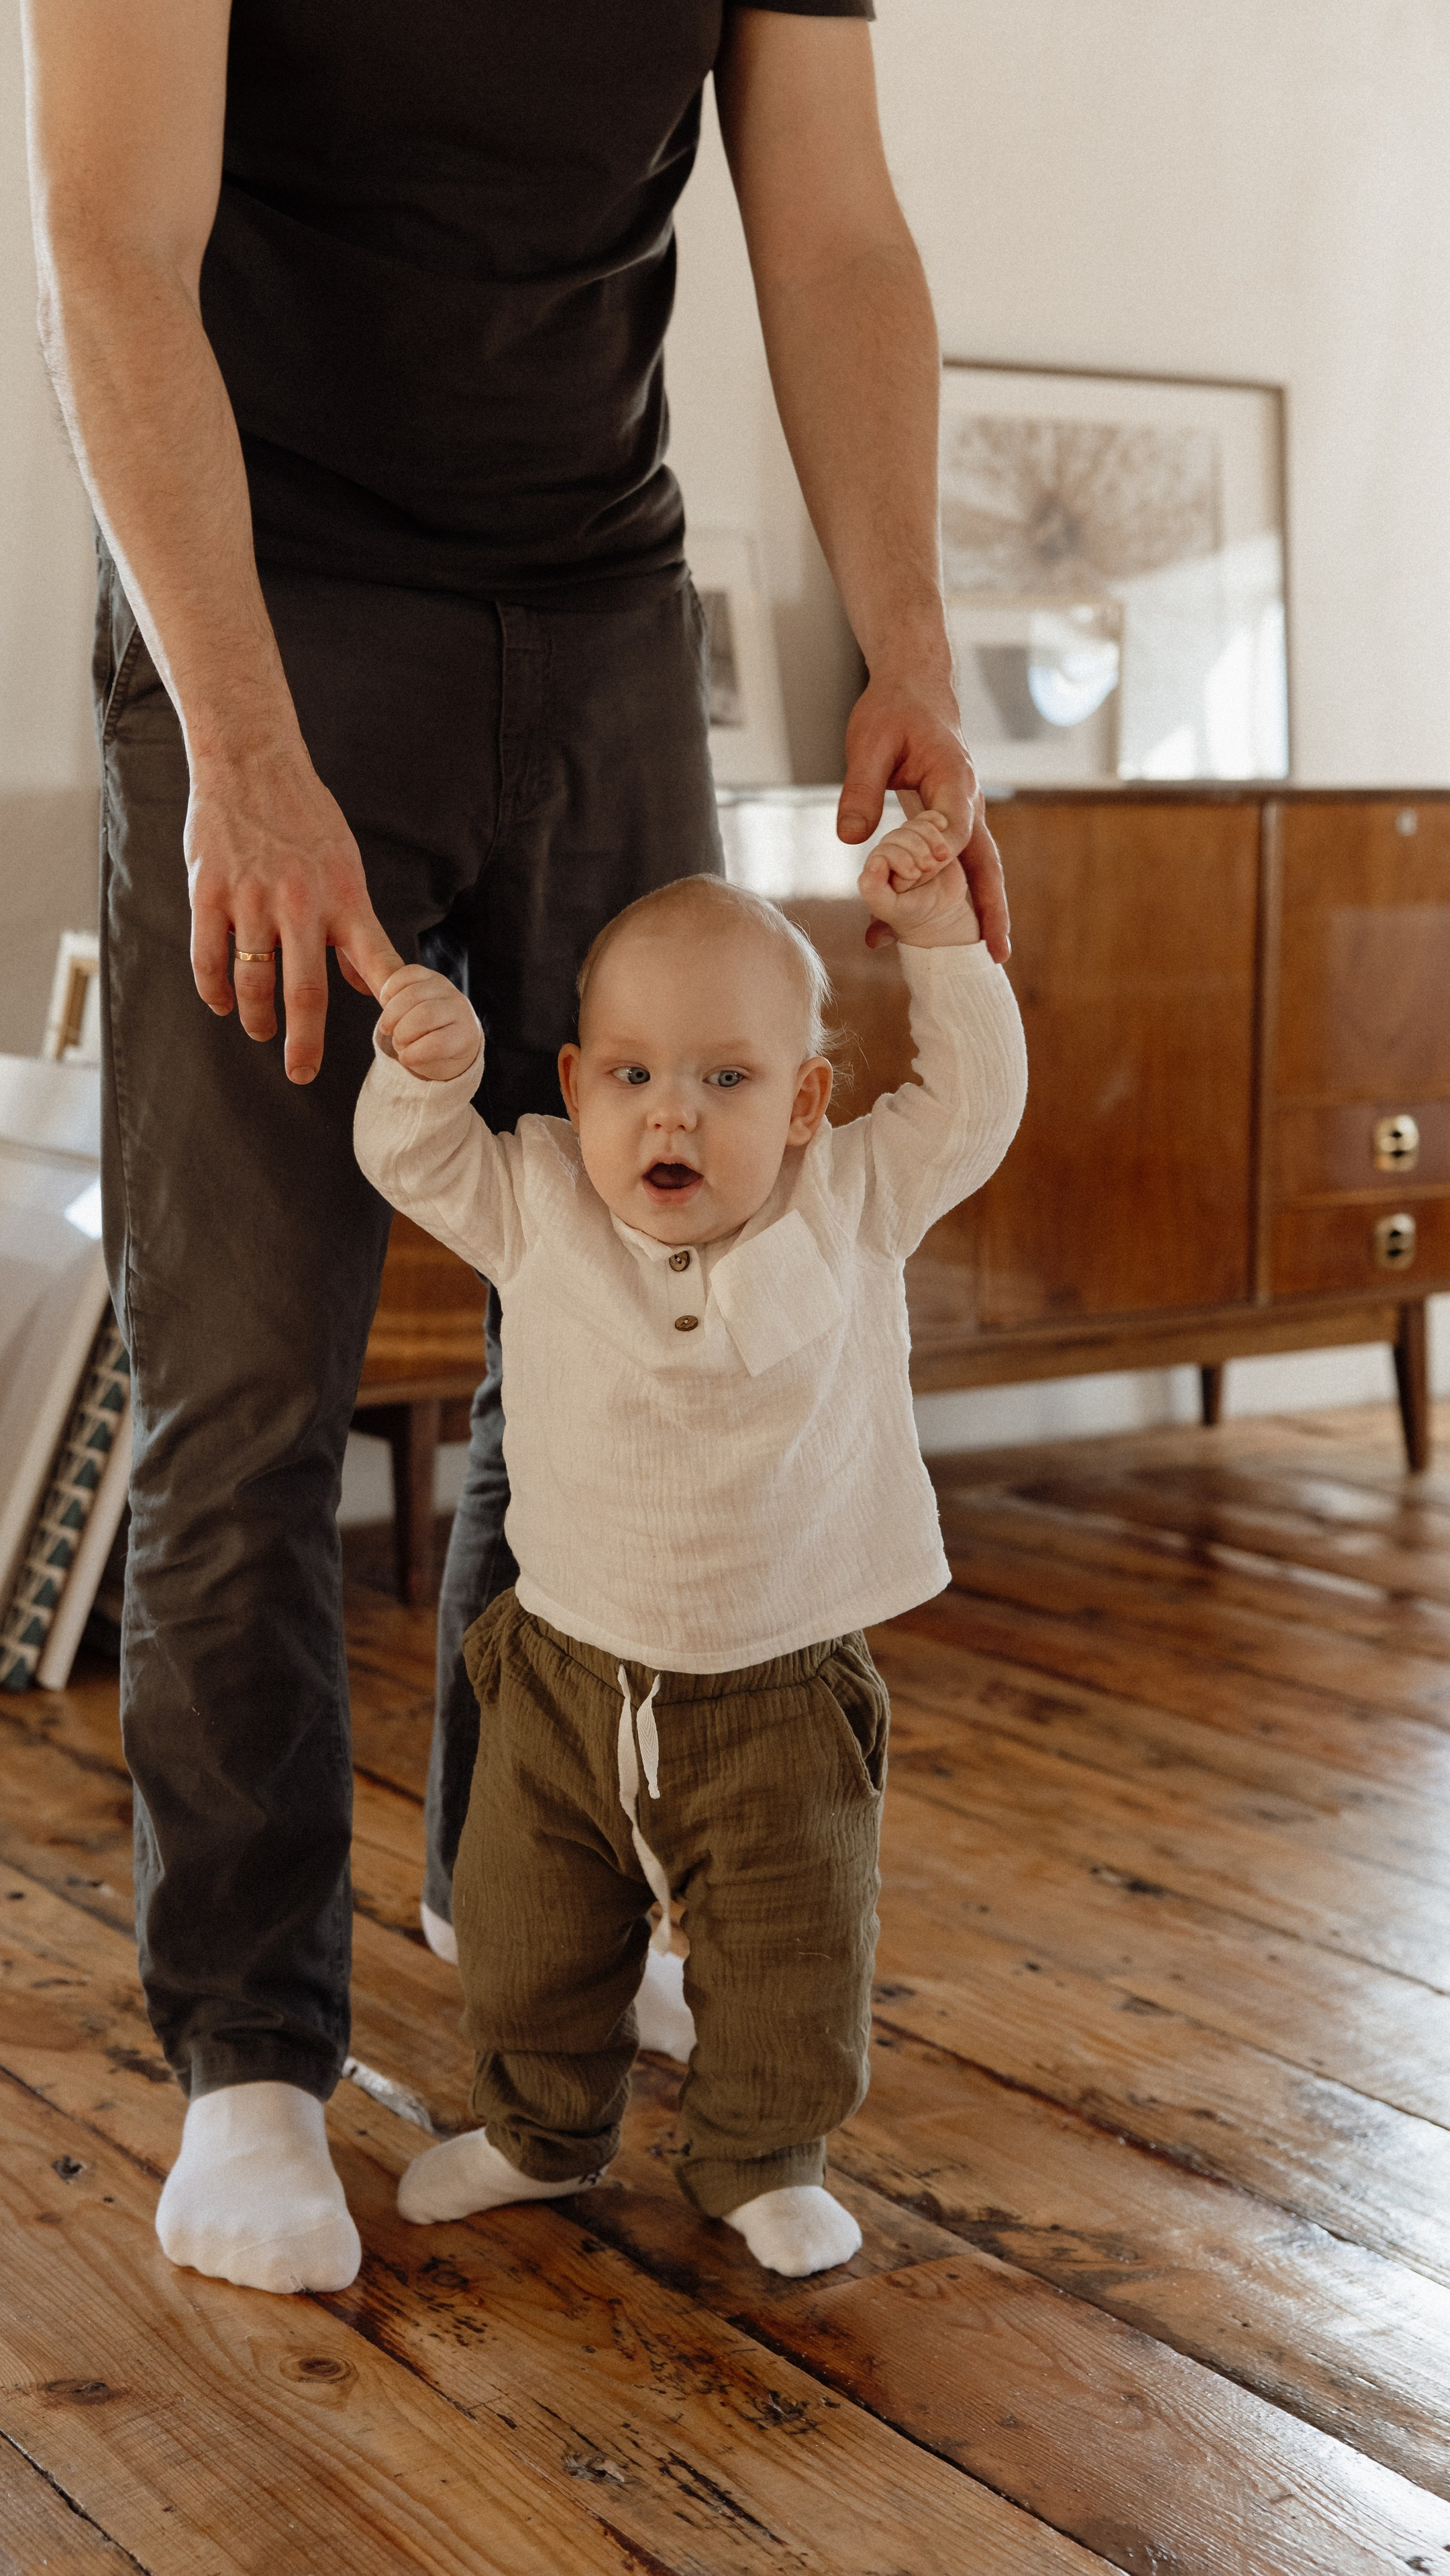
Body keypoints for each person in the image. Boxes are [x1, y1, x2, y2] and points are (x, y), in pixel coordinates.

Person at [22, 0, 1011, 2296]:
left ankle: (527, 1895)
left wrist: (914, 635)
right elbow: (104, 238)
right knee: (250, 1389)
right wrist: (238, 752)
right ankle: (248, 2052)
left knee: (595, 1333)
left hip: (597, 610)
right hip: (263, 621)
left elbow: (839, 228)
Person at [352, 818, 1026, 2275]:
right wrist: (426, 1073)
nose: (673, 1118)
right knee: (529, 1939)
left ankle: (762, 2153)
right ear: (577, 1087)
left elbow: (971, 1105)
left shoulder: (853, 1197)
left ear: (801, 1104)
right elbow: (407, 1163)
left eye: (725, 1081)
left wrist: (939, 945)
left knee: (789, 1952)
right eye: (635, 1078)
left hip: (776, 1684)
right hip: (559, 1672)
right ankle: (538, 2131)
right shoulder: (532, 1198)